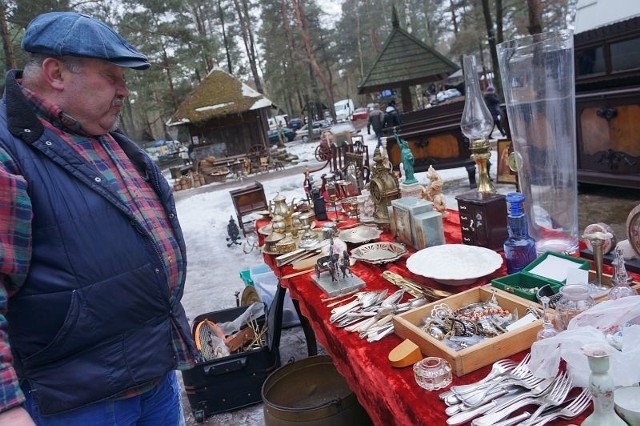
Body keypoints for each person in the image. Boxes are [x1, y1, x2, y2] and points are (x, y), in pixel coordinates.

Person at [0, 12, 199, 425]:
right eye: (112, 75)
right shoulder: (9, 150)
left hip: (152, 375)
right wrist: (5, 405)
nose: (125, 91)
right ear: (55, 72)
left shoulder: (100, 134)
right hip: (77, 401)